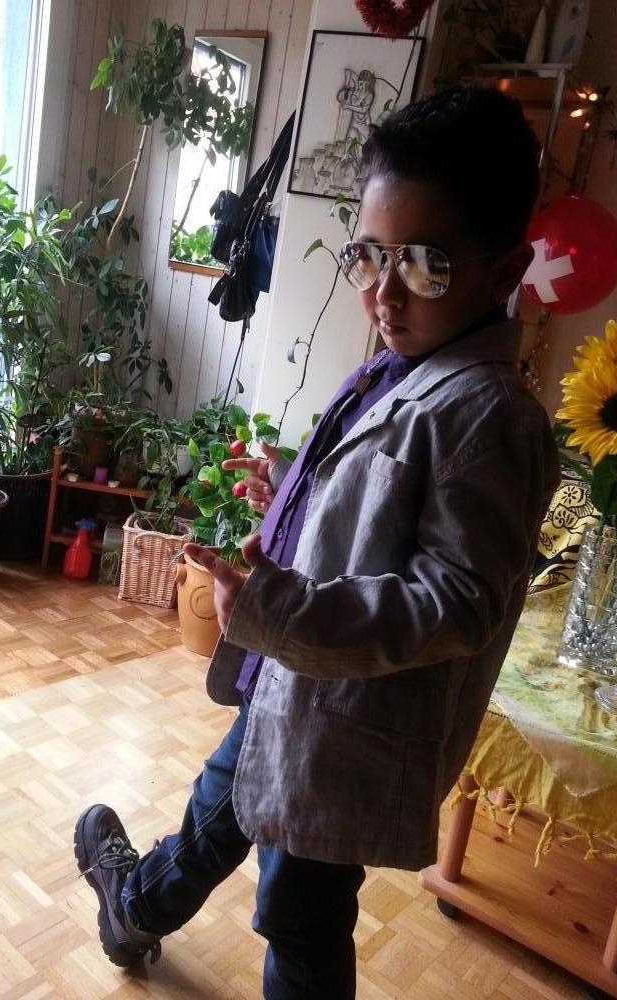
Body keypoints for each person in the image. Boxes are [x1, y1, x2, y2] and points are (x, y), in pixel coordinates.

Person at [74, 85, 560, 998]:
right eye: (368, 255)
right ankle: (132, 908)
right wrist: (294, 488)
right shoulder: (407, 363)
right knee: (221, 804)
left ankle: (134, 904)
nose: (382, 292)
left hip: (347, 727)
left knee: (299, 914)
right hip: (292, 685)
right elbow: (378, 502)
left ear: (505, 271)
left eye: (426, 265)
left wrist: (278, 607)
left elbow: (458, 601)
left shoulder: (492, 416)